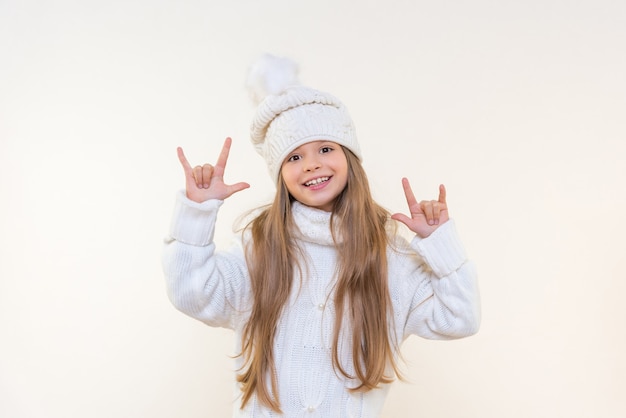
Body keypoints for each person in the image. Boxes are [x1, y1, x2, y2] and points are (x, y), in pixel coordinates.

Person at [162, 54, 480, 417]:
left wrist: (441, 244)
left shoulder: (390, 256)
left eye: (325, 149)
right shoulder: (262, 248)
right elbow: (192, 293)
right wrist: (196, 212)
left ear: (350, 157)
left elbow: (460, 317)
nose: (312, 164)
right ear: (280, 174)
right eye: (294, 157)